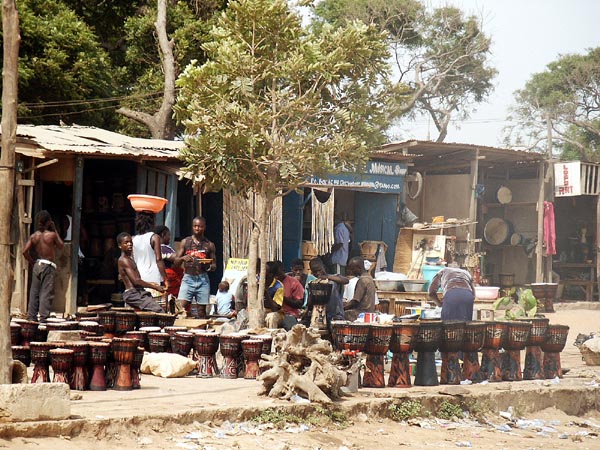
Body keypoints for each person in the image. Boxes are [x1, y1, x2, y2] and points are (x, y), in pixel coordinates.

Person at [23, 210, 64, 322]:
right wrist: (55, 228)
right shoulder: (51, 235)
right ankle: (43, 319)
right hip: (48, 266)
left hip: (37, 264)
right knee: (46, 292)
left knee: (34, 292)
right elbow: (61, 245)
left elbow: (24, 252)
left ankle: (32, 317)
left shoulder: (34, 236)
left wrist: (32, 262)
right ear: (48, 222)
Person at [175, 217, 217, 319]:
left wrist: (207, 266)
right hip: (188, 278)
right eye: (195, 226)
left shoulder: (209, 245)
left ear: (204, 227)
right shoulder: (186, 242)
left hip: (203, 279)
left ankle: (201, 331)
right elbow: (175, 262)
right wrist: (183, 258)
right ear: (192, 227)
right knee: (180, 308)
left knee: (201, 311)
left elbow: (214, 265)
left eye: (200, 226)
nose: (197, 229)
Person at [116, 232, 165, 313]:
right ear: (120, 246)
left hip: (137, 292)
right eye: (126, 242)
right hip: (133, 294)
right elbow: (136, 281)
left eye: (131, 242)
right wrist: (155, 287)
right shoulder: (124, 260)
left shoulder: (129, 259)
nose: (130, 244)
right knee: (159, 311)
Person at [132, 212, 169, 304]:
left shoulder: (133, 239)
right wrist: (165, 278)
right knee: (154, 305)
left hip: (139, 276)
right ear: (152, 222)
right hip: (153, 276)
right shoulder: (154, 237)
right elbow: (159, 260)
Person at [301, 257, 348, 328]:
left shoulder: (334, 278)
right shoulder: (313, 283)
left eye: (319, 270)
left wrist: (327, 277)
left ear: (323, 266)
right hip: (320, 317)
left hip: (335, 316)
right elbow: (310, 303)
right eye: (315, 271)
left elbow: (346, 280)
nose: (318, 273)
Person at [264, 260, 304, 330]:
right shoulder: (265, 283)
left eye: (279, 273)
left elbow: (299, 303)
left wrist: (282, 297)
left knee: (291, 328)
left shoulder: (293, 283)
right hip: (268, 312)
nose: (277, 276)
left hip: (288, 314)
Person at [343, 256, 376, 321]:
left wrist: (343, 308)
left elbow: (355, 301)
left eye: (353, 269)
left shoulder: (362, 280)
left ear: (359, 268)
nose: (351, 271)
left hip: (362, 313)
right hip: (369, 312)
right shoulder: (369, 278)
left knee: (340, 315)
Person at [155, 225, 183, 299]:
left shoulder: (153, 248)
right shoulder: (164, 248)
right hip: (168, 279)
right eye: (168, 235)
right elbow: (176, 259)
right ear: (163, 235)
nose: (169, 238)